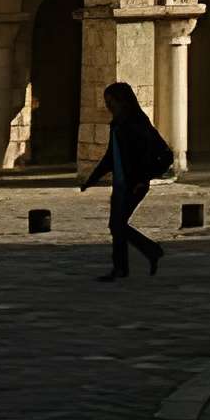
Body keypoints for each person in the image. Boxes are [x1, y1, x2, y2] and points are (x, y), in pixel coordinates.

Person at [78, 80, 172, 281]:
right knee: (116, 225)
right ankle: (127, 264)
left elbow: (165, 155)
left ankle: (147, 253)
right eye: (106, 101)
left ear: (123, 101)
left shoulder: (138, 124)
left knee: (117, 225)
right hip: (121, 184)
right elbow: (110, 158)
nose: (108, 105)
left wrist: (144, 177)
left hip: (135, 184)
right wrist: (91, 181)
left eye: (111, 101)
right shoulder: (117, 125)